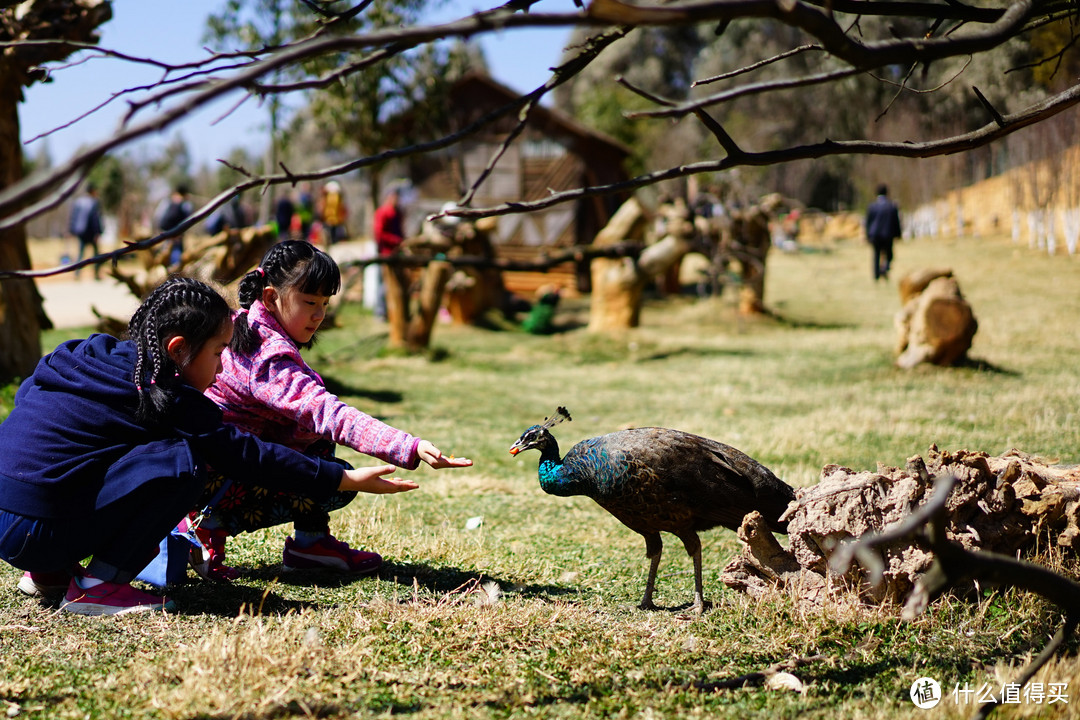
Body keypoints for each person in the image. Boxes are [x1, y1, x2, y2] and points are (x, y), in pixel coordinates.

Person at [0, 276, 417, 615]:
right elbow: (244, 453)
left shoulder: (84, 354)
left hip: (9, 519)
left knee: (79, 463)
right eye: (218, 352)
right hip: (40, 531)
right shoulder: (168, 395)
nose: (221, 369)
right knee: (183, 464)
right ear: (178, 350)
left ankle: (47, 574)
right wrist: (341, 478)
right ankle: (99, 586)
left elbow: (29, 410)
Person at [200, 240, 472, 580]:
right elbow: (329, 414)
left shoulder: (246, 326)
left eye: (325, 304)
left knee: (316, 445)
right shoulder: (269, 357)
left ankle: (310, 546)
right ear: (271, 297)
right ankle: (206, 525)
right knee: (334, 477)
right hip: (215, 478)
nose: (319, 315)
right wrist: (408, 446)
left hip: (211, 464)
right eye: (310, 302)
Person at [372, 183, 406, 320]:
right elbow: (379, 233)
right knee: (383, 284)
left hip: (397, 252)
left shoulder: (398, 212)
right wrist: (396, 241)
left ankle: (394, 312)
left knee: (395, 284)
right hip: (385, 253)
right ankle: (380, 313)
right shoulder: (383, 212)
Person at [865, 184, 902, 281]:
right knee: (889, 254)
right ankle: (885, 268)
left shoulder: (872, 206)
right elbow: (896, 222)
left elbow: (868, 222)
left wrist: (867, 235)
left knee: (876, 255)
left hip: (875, 235)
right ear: (887, 193)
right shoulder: (892, 206)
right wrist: (898, 234)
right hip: (887, 235)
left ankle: (877, 275)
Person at [69, 182, 104, 280]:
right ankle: (96, 274)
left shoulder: (78, 202)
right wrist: (98, 232)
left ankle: (77, 274)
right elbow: (95, 219)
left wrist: (72, 230)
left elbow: (73, 217)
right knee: (96, 254)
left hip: (80, 231)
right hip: (91, 232)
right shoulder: (94, 202)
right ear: (92, 191)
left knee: (80, 253)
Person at [157, 184, 194, 268]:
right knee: (175, 261)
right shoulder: (185, 205)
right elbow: (189, 220)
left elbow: (158, 218)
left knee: (165, 257)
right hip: (176, 237)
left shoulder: (167, 202)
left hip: (165, 235)